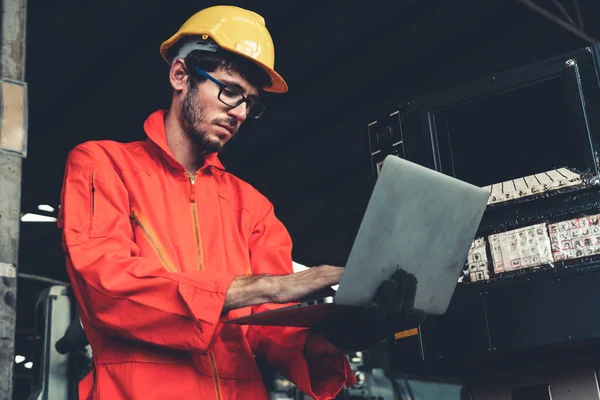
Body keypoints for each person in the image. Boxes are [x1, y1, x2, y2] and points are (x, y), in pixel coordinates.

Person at [58, 5, 422, 400]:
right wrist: (269, 286)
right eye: (230, 91)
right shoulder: (102, 165)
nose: (241, 112)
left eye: (250, 101)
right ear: (180, 75)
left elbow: (271, 332)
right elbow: (106, 288)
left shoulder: (251, 207)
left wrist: (338, 337)